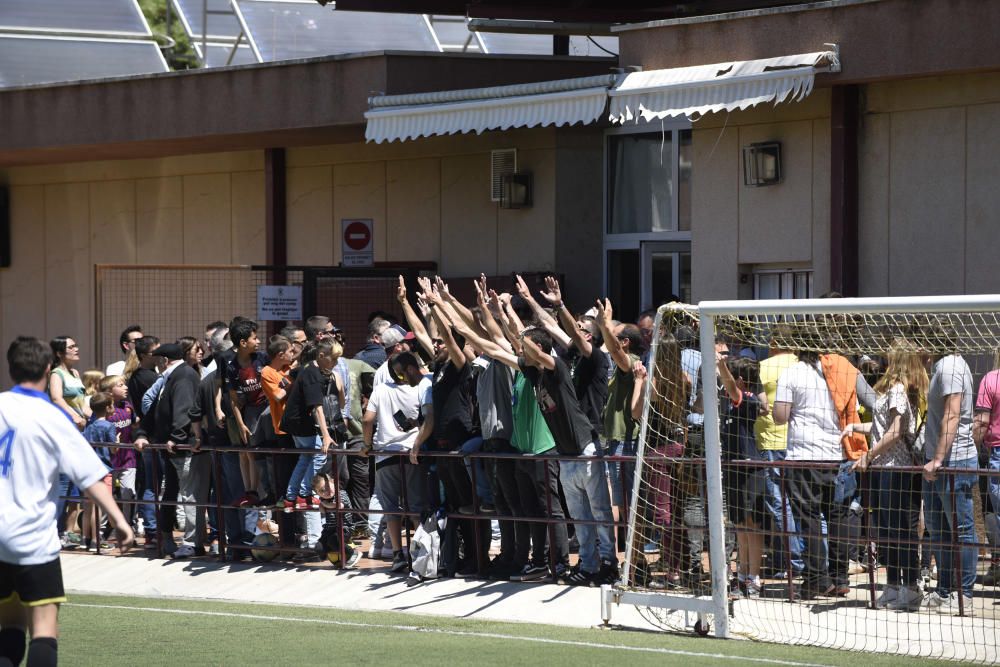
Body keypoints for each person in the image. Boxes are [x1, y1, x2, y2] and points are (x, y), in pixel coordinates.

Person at [0, 336, 134, 667]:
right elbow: (90, 477)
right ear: (48, 369)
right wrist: (119, 521)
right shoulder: (51, 417)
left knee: (9, 625)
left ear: (11, 368)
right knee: (44, 630)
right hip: (34, 540)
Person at [772, 323, 853, 599]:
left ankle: (817, 578)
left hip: (804, 455)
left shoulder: (792, 373)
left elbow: (780, 415)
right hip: (836, 453)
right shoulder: (838, 373)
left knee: (808, 518)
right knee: (837, 516)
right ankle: (840, 576)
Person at [846, 338, 927, 611]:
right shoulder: (894, 388)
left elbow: (895, 431)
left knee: (900, 529)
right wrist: (856, 428)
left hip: (897, 469)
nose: (883, 357)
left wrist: (868, 455)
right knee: (889, 530)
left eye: (888, 354)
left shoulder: (899, 389)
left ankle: (910, 587)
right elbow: (883, 427)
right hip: (886, 467)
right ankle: (894, 585)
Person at [921, 324, 978, 615]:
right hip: (938, 462)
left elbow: (952, 413)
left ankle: (963, 594)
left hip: (953, 462)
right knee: (938, 528)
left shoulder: (951, 366)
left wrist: (939, 459)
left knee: (962, 529)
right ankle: (944, 590)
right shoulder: (943, 366)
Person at [362, 351, 432, 574]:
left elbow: (367, 419)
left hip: (385, 454)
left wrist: (366, 445)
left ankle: (397, 554)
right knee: (415, 506)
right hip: (412, 452)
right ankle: (421, 554)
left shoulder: (381, 390)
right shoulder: (422, 387)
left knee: (390, 506)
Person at [753, 323, 805, 578]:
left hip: (771, 439)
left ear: (773, 343)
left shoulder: (763, 367)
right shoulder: (805, 366)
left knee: (780, 503)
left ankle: (794, 561)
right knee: (803, 502)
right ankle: (808, 558)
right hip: (801, 442)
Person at [279, 339, 340, 513]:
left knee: (305, 457)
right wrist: (326, 435)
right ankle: (304, 494)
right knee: (320, 454)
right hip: (301, 421)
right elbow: (317, 407)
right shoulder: (313, 374)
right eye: (333, 359)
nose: (335, 364)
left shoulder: (308, 368)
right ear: (321, 356)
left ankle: (291, 497)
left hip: (294, 421)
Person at [226, 319, 267, 508]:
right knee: (248, 452)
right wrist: (241, 423)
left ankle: (260, 491)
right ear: (243, 343)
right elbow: (234, 399)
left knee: (261, 453)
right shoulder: (232, 367)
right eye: (255, 338)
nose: (258, 341)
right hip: (249, 412)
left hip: (266, 411)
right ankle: (250, 492)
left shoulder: (262, 358)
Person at [974, 345, 1000, 587]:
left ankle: (998, 564)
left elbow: (981, 422)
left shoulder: (991, 379)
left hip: (996, 453)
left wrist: (969, 448)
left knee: (995, 511)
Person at [99, 375, 137, 533]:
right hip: (107, 461)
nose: (125, 387)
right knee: (105, 494)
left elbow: (135, 425)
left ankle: (128, 526)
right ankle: (101, 529)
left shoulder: (128, 406)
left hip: (128, 458)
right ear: (109, 391)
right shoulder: (103, 411)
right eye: (120, 385)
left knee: (129, 493)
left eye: (125, 384)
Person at [80, 392, 116, 552]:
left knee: (88, 506)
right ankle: (96, 540)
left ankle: (84, 538)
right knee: (99, 505)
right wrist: (118, 442)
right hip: (103, 470)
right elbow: (114, 449)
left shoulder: (90, 426)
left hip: (88, 470)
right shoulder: (109, 426)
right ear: (108, 408)